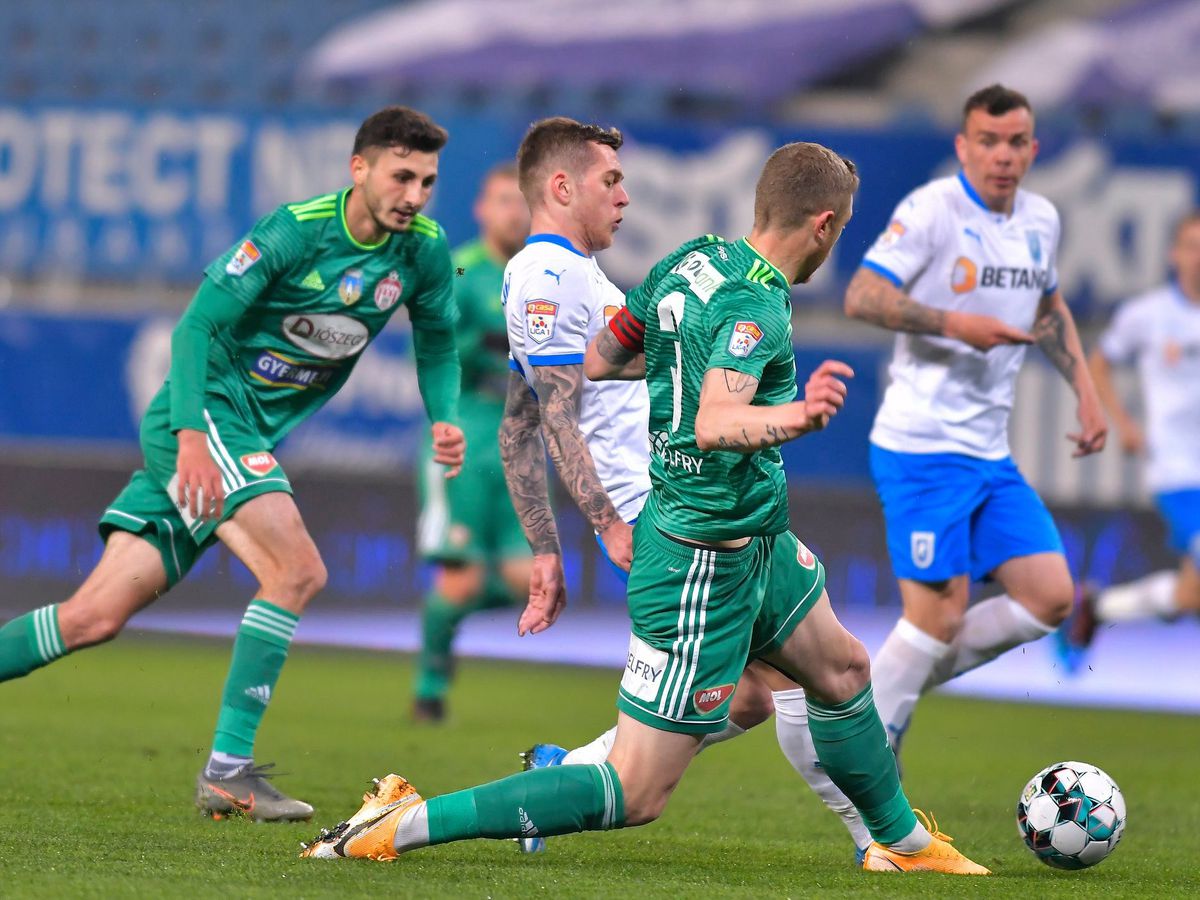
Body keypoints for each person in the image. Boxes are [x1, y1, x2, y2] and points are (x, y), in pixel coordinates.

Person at [299, 139, 989, 876]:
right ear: (823, 225)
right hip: (700, 559)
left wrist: (677, 363)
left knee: (843, 670)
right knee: (636, 791)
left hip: (753, 537)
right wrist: (799, 417)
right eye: (842, 230)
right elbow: (715, 423)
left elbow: (601, 357)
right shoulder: (753, 303)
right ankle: (401, 824)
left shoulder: (692, 260)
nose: (623, 195)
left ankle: (902, 846)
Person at [0, 106, 466, 822]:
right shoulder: (296, 229)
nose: (414, 195)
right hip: (209, 413)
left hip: (238, 434)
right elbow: (197, 325)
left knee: (91, 618)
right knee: (298, 571)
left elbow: (437, 342)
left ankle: (226, 774)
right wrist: (191, 435)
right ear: (360, 168)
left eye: (428, 181)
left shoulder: (424, 253)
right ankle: (227, 773)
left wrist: (443, 415)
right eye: (402, 176)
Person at [776, 84, 1107, 846]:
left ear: (1033, 148)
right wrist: (954, 322)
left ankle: (858, 711)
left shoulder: (1041, 220)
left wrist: (1086, 392)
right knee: (937, 617)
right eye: (987, 140)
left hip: (988, 453)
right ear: (963, 146)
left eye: (1016, 141)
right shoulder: (931, 212)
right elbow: (861, 294)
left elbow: (1050, 307)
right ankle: (870, 777)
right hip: (923, 445)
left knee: (1050, 596)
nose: (1002, 154)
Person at [412, 163, 532, 722]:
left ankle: (446, 623)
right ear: (482, 210)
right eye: (503, 200)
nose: (514, 211)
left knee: (528, 583)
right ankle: (430, 685)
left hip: (521, 438)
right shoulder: (462, 269)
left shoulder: (543, 277)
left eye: (521, 201)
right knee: (459, 577)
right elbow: (433, 347)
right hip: (465, 434)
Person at [1064, 210, 1200, 649]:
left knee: (1190, 596)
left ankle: (1100, 607)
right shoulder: (1149, 315)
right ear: (1174, 254)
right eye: (1191, 247)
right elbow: (1100, 361)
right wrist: (1122, 424)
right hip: (1177, 471)